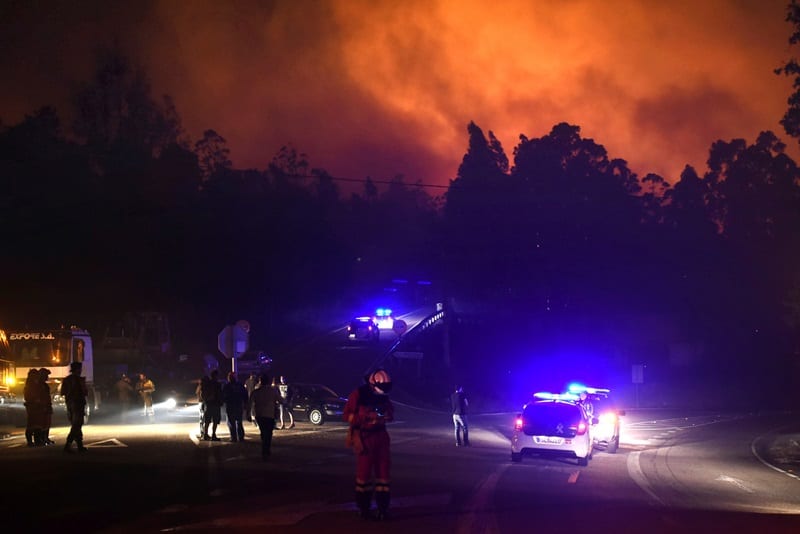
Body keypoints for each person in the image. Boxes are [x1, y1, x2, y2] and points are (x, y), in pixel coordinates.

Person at [343, 368, 395, 521]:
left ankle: (383, 508)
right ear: (373, 385)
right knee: (363, 476)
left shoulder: (384, 396)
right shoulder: (358, 395)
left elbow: (391, 412)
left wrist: (386, 415)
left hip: (381, 437)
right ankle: (363, 508)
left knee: (384, 476)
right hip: (365, 438)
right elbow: (347, 415)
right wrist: (364, 416)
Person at [249, 373, 279, 460]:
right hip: (270, 415)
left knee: (263, 432)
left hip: (260, 415)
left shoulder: (256, 392)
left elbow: (249, 403)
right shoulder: (272, 391)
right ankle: (266, 449)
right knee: (269, 433)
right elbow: (280, 400)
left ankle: (264, 449)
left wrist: (248, 414)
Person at [61, 361, 88, 453]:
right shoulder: (79, 380)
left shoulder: (66, 380)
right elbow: (84, 392)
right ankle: (68, 445)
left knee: (76, 425)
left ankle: (79, 445)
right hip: (78, 404)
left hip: (70, 404)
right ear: (78, 369)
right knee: (77, 425)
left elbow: (63, 392)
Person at [222, 371, 248, 442]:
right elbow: (245, 395)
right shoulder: (240, 385)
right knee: (239, 422)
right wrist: (245, 403)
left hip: (230, 406)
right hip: (238, 405)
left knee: (231, 422)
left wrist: (224, 402)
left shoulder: (227, 386)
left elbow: (223, 396)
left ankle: (233, 437)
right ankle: (241, 437)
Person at [23, 369, 45, 447]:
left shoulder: (35, 384)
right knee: (32, 424)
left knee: (37, 424)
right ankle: (31, 441)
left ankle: (36, 440)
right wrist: (35, 400)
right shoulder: (30, 385)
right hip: (32, 406)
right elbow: (28, 396)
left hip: (37, 406)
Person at [199, 369, 223, 441]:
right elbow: (220, 394)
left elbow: (203, 394)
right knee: (215, 421)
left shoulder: (207, 383)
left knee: (207, 420)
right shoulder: (217, 384)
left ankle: (206, 434)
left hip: (208, 404)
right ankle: (213, 435)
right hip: (215, 404)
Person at [38, 368, 55, 445]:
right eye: (46, 375)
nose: (47, 377)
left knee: (47, 423)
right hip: (42, 407)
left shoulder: (45, 385)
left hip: (46, 406)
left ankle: (45, 438)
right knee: (42, 423)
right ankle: (42, 438)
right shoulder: (39, 385)